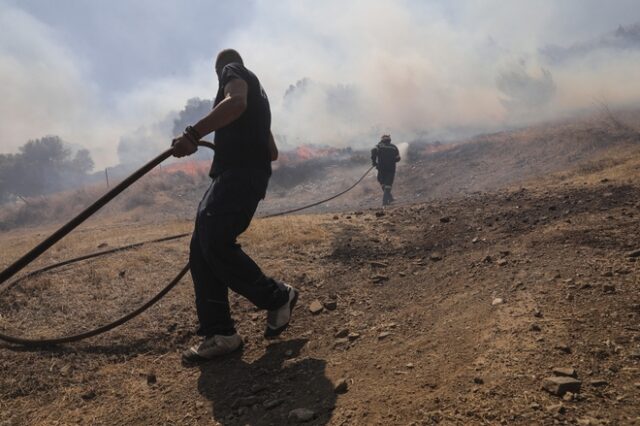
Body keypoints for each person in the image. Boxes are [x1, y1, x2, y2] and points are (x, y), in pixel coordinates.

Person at [172, 49, 299, 362]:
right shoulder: (259, 97)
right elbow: (271, 151)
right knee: (202, 246)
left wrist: (193, 134)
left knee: (213, 239)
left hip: (238, 176)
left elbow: (237, 102)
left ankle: (278, 296)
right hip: (242, 176)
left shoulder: (231, 71)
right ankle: (221, 333)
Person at [370, 134, 400, 206]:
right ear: (389, 140)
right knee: (388, 184)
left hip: (381, 168)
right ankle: (388, 199)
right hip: (391, 168)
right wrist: (391, 160)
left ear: (382, 139)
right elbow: (398, 158)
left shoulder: (379, 145)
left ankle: (386, 200)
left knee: (382, 181)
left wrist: (374, 162)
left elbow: (373, 151)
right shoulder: (394, 147)